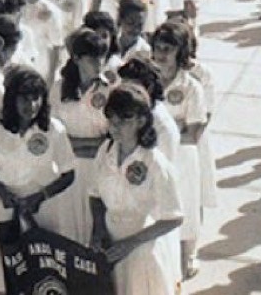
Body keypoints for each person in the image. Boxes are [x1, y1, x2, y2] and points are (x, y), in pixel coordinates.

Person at [0, 66, 75, 294]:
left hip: (43, 209)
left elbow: (69, 174)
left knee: (45, 274)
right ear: (12, 99)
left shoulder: (53, 129)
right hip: (6, 208)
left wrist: (41, 196)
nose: (30, 105)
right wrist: (3, 193)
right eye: (24, 98)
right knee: (7, 272)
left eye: (36, 98)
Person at [89, 83, 183, 295]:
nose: (116, 126)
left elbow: (174, 217)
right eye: (111, 119)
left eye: (124, 119)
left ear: (141, 120)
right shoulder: (105, 151)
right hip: (109, 244)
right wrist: (98, 229)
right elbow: (95, 195)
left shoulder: (155, 162)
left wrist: (130, 243)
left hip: (141, 247)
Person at [151, 22, 207, 280]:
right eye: (158, 48)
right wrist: (174, 126)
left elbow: (194, 132)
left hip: (183, 156)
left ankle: (188, 253)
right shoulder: (148, 82)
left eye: (168, 49)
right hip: (154, 154)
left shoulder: (191, 86)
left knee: (185, 203)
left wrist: (163, 132)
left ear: (180, 52)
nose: (161, 54)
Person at [50, 28, 111, 245]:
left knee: (96, 227)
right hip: (68, 169)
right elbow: (54, 134)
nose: (99, 63)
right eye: (92, 58)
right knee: (68, 226)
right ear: (76, 58)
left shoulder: (109, 90)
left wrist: (75, 143)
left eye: (102, 57)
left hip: (99, 166)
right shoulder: (59, 89)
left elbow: (109, 139)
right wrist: (84, 145)